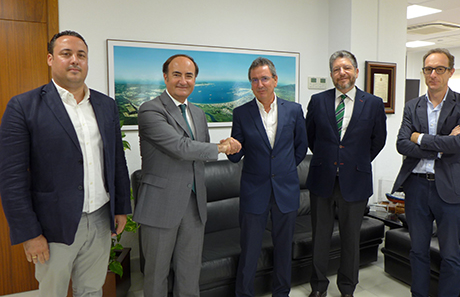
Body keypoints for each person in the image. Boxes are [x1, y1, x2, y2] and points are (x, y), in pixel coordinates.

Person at [0, 30, 132, 297]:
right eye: (66, 54)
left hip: (99, 219)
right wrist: (29, 234)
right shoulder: (23, 107)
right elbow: (11, 178)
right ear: (50, 59)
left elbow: (117, 160)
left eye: (81, 55)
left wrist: (121, 209)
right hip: (52, 227)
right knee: (53, 293)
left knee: (92, 290)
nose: (75, 60)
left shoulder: (106, 105)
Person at [133, 54, 241, 297]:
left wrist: (218, 144)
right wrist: (221, 148)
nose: (183, 80)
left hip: (194, 204)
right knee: (156, 275)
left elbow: (198, 152)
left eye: (189, 76)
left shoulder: (198, 113)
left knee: (190, 272)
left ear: (195, 80)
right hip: (160, 205)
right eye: (177, 74)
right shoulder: (150, 110)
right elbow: (180, 147)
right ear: (165, 77)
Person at [392, 48, 460, 297]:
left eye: (439, 69)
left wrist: (421, 138)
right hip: (416, 186)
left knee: (450, 254)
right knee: (417, 250)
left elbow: (459, 145)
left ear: (450, 72)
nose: (433, 74)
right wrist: (439, 147)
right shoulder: (412, 106)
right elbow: (402, 144)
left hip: (450, 189)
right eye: (429, 69)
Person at [306, 50, 387, 297]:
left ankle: (347, 288)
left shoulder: (372, 103)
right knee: (320, 237)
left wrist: (353, 162)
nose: (342, 73)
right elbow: (311, 137)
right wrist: (331, 161)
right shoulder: (318, 101)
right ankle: (318, 287)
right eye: (336, 69)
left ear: (356, 71)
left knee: (351, 239)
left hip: (356, 179)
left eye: (346, 68)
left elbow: (378, 140)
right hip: (322, 179)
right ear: (331, 74)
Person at [227, 57, 308, 297]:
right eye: (254, 80)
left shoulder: (293, 110)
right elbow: (236, 156)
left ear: (275, 80)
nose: (259, 84)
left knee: (284, 248)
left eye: (264, 78)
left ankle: (281, 293)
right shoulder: (241, 113)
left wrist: (282, 169)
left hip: (286, 190)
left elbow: (300, 148)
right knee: (250, 249)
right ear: (250, 84)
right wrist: (230, 147)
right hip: (254, 191)